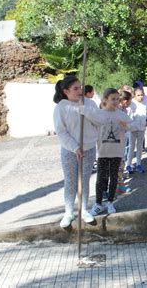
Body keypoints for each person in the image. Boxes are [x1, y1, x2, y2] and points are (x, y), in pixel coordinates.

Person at [53, 75, 97, 229]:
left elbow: (99, 122)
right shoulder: (61, 108)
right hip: (69, 150)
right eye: (75, 88)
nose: (80, 91)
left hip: (89, 149)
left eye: (80, 87)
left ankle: (84, 210)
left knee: (84, 180)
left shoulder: (89, 103)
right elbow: (61, 132)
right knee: (70, 181)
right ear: (66, 91)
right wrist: (75, 147)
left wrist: (87, 112)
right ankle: (69, 212)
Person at [80, 88, 131, 216]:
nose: (115, 101)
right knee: (101, 178)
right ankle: (98, 203)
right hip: (103, 152)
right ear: (105, 100)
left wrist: (127, 126)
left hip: (117, 152)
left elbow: (132, 126)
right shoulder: (99, 114)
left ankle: (110, 202)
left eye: (117, 99)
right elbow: (88, 120)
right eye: (112, 99)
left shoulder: (122, 115)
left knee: (114, 177)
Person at [126, 87, 147, 174]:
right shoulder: (131, 104)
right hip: (132, 129)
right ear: (134, 96)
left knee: (139, 147)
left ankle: (138, 164)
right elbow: (128, 116)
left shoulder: (145, 103)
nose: (140, 97)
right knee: (131, 147)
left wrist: (146, 121)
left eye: (142, 95)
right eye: (138, 95)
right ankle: (128, 165)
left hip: (141, 129)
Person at [116, 90, 133, 195]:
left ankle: (119, 184)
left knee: (121, 163)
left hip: (122, 139)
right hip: (117, 141)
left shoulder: (123, 110)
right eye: (130, 100)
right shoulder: (119, 111)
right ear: (125, 101)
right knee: (119, 164)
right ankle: (119, 186)